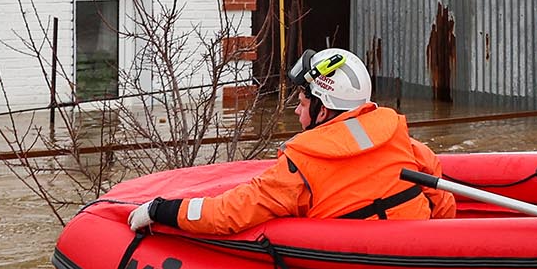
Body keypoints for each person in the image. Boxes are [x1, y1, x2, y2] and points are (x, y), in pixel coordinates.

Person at [128, 47, 457, 235]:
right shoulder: (400, 138)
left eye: (301, 102)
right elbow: (442, 200)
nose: (297, 112)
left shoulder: (301, 165)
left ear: (323, 108)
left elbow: (228, 214)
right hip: (416, 255)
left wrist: (163, 209)